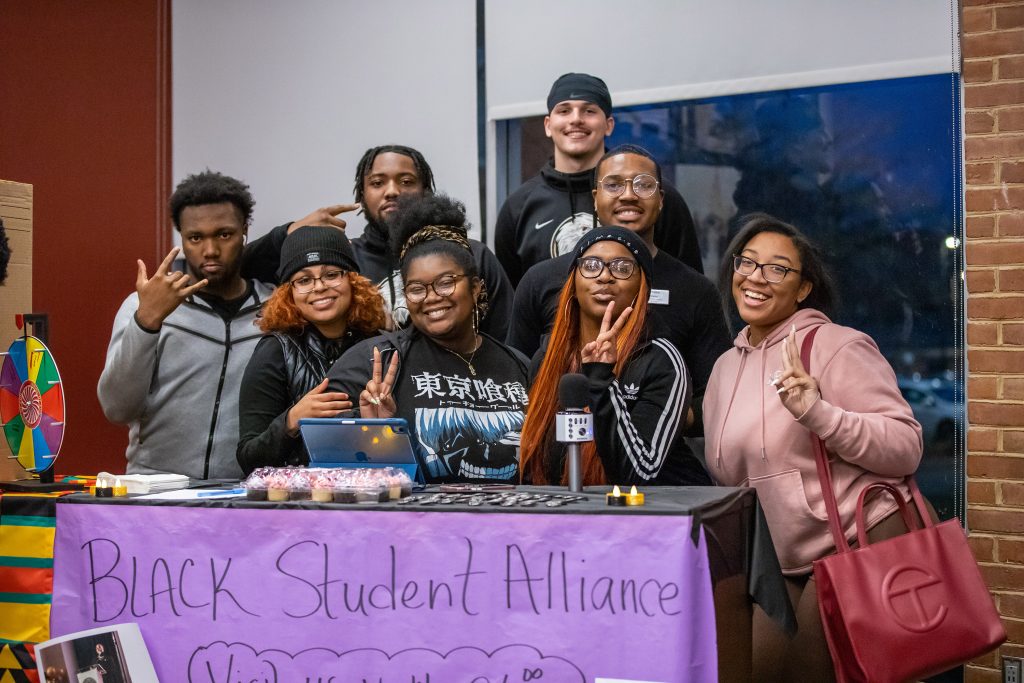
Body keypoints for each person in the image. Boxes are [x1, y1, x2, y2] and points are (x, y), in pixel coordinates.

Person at [702, 213, 925, 681]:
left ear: (803, 288)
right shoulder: (724, 367)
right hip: (778, 559)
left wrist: (817, 413)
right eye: (748, 262)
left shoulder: (835, 346)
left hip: (852, 543)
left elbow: (905, 446)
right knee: (755, 672)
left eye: (777, 268)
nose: (757, 277)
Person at [508, 144, 730, 439]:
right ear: (595, 198)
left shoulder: (695, 290)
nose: (628, 194)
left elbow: (720, 396)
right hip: (559, 457)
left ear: (661, 200)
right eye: (613, 184)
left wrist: (659, 417)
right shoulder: (541, 280)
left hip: (661, 471)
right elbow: (514, 384)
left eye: (643, 185)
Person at [328, 193, 529, 482]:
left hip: (513, 524)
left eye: (446, 283)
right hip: (416, 525)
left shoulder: (519, 365)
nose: (432, 298)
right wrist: (376, 437)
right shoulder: (375, 362)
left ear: (475, 288)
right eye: (417, 289)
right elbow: (324, 462)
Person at [98, 171, 273, 479]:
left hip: (246, 495)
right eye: (195, 238)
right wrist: (146, 322)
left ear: (244, 231)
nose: (210, 250)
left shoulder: (277, 310)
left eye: (223, 234)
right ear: (181, 237)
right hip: (157, 491)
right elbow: (116, 409)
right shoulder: (145, 306)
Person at [249, 145, 513, 339]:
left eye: (406, 181)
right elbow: (238, 269)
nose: (391, 191)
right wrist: (290, 231)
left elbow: (507, 334)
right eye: (377, 183)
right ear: (362, 194)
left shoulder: (468, 255)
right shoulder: (340, 261)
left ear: (426, 191)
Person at [520, 227, 710, 486]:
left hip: (658, 516)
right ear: (573, 283)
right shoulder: (547, 358)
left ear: (642, 289)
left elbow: (638, 471)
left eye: (622, 268)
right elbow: (534, 462)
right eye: (591, 265)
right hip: (572, 514)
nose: (605, 276)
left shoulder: (662, 360)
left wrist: (601, 380)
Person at [494, 72, 703, 287]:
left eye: (589, 111)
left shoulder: (647, 194)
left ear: (609, 125)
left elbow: (691, 288)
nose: (576, 119)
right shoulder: (518, 207)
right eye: (564, 110)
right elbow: (512, 304)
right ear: (548, 125)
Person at [236, 227, 386, 474]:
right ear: (289, 293)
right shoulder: (276, 350)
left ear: (353, 281)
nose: (319, 287)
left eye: (331, 274)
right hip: (299, 503)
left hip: (372, 496)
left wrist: (381, 423)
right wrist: (292, 420)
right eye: (304, 280)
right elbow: (248, 458)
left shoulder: (381, 345)